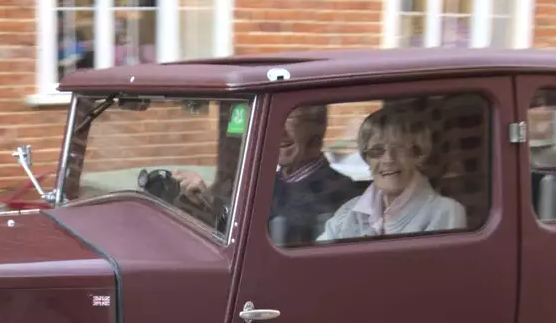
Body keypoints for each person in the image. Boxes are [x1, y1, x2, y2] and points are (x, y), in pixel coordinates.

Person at [175, 104, 358, 243]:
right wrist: (205, 203)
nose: (279, 132)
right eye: (273, 120)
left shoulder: (339, 192)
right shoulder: (267, 182)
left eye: (290, 119)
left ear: (318, 127)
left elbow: (281, 235)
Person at [319, 102, 466, 241]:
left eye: (400, 149)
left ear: (419, 155)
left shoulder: (445, 212)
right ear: (367, 159)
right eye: (377, 151)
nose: (388, 159)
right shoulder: (348, 213)